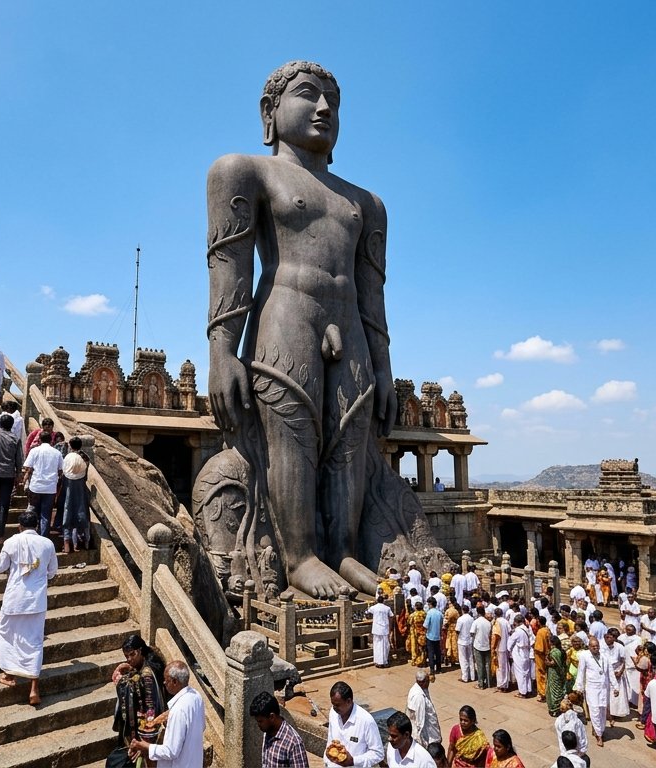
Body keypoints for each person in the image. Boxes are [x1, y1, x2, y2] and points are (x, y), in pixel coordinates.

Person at [205, 61, 400, 600]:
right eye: (308, 95)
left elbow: (374, 296)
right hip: (285, 316)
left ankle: (343, 549)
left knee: (348, 440)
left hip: (351, 329)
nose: (324, 109)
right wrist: (223, 352)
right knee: (291, 434)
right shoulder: (243, 172)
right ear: (270, 113)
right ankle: (299, 556)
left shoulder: (367, 204)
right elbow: (230, 267)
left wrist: (384, 369)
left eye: (333, 102)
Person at [0, 509, 57, 705]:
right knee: (34, 641)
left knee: (8, 636)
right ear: (36, 525)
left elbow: (0, 567)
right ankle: (34, 690)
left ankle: (9, 675)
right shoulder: (48, 544)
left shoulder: (11, 542)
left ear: (20, 526)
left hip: (14, 599)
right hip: (36, 601)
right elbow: (52, 572)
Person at [128, 660, 205, 768]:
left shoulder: (178, 710)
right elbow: (201, 727)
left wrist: (144, 746)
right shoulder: (197, 696)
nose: (164, 683)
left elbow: (171, 752)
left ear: (175, 682)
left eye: (166, 680)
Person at [112, 634, 166, 765]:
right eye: (126, 656)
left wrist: (120, 682)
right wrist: (131, 669)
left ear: (140, 651)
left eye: (132, 654)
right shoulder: (151, 659)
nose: (129, 659)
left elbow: (146, 698)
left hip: (147, 726)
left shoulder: (147, 674)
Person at [325, 681, 384, 768]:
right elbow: (330, 739)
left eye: (337, 705)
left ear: (348, 701)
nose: (334, 708)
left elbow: (378, 754)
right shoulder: (333, 713)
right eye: (333, 704)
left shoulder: (366, 721)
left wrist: (353, 761)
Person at [252, 691, 309, 768]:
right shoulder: (268, 732)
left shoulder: (293, 743)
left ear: (272, 717)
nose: (258, 725)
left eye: (260, 721)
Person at [21, 432, 62, 537]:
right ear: (51, 440)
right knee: (46, 515)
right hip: (50, 488)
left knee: (33, 512)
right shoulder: (57, 453)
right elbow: (61, 470)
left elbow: (26, 466)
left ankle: (31, 535)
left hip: (36, 486)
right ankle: (43, 538)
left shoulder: (34, 451)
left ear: (39, 440)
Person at [574, 633, 611, 747]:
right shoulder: (585, 656)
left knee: (602, 710)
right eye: (593, 646)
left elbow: (610, 672)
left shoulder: (604, 656)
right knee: (594, 711)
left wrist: (615, 687)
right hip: (591, 688)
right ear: (589, 647)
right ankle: (599, 736)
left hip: (603, 687)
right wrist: (579, 687)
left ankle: (599, 729)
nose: (595, 648)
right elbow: (581, 672)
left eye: (597, 646)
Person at [59, 436, 91, 554]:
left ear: (70, 446)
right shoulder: (85, 458)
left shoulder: (68, 457)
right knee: (82, 511)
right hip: (80, 486)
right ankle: (84, 541)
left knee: (67, 511)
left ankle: (67, 543)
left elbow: (64, 471)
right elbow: (85, 474)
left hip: (68, 486)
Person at [407, 670, 442, 750]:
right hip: (428, 736)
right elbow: (420, 721)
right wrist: (422, 742)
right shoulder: (419, 697)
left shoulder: (420, 689)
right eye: (427, 681)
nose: (429, 682)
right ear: (422, 682)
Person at [553, 696, 588, 764]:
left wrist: (563, 751)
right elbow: (582, 738)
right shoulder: (577, 721)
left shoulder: (558, 721)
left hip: (564, 751)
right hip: (577, 752)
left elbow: (560, 737)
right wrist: (582, 751)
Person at [511, 613, 535, 697]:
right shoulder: (527, 629)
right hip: (527, 652)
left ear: (516, 622)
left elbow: (510, 643)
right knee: (526, 673)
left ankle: (522, 692)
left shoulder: (517, 631)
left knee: (520, 673)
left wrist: (510, 650)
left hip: (519, 653)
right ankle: (528, 689)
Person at [368, 594, 394, 667]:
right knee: (385, 645)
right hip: (384, 628)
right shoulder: (387, 608)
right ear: (383, 601)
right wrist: (390, 626)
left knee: (377, 645)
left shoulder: (374, 607)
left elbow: (368, 611)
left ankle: (377, 661)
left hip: (376, 628)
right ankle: (384, 661)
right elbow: (392, 616)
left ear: (377, 601)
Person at [472, 608, 493, 690]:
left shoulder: (476, 622)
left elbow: (472, 632)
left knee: (480, 665)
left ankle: (481, 684)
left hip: (478, 646)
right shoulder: (488, 623)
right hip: (487, 645)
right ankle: (488, 682)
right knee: (487, 665)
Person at [425, 596, 444, 676]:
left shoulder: (429, 613)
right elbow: (441, 624)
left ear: (430, 604)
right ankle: (439, 668)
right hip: (437, 636)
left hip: (430, 636)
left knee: (431, 653)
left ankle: (432, 669)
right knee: (438, 652)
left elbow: (425, 625)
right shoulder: (439, 613)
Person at [457, 606, 476, 683]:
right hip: (470, 640)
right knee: (470, 658)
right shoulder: (472, 619)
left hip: (462, 640)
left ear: (462, 610)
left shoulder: (460, 619)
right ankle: (472, 676)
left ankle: (465, 677)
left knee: (463, 659)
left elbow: (457, 630)